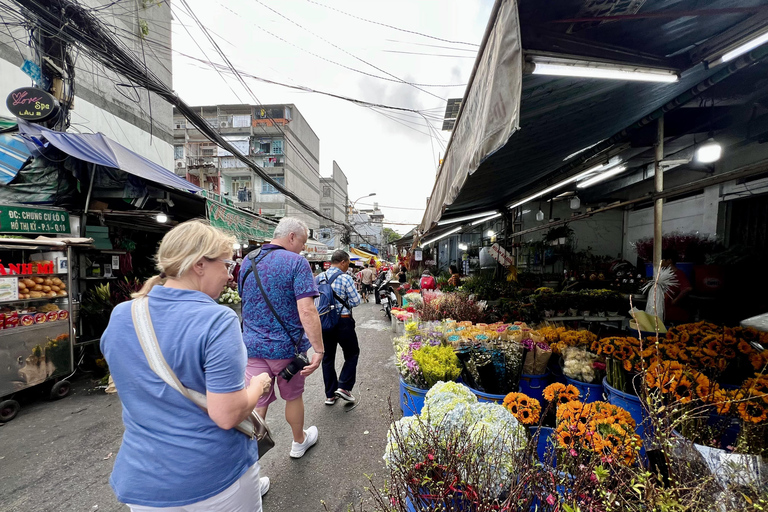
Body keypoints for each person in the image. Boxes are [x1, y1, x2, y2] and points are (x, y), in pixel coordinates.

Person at [101, 220, 272, 511]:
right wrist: (258, 385)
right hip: (212, 479)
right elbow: (227, 414)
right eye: (226, 264)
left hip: (144, 480)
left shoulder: (122, 314)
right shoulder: (218, 321)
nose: (229, 275)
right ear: (200, 265)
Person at [238, 217, 324, 459]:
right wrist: (318, 348)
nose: (303, 248)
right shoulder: (297, 263)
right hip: (288, 350)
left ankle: (250, 461)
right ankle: (299, 442)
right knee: (293, 396)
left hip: (253, 347)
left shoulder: (248, 261)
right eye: (303, 242)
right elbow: (306, 310)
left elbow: (245, 299)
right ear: (292, 237)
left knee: (257, 400)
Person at [318, 250, 362, 405]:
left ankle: (330, 395)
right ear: (343, 262)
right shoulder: (345, 278)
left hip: (324, 323)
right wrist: (344, 304)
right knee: (352, 353)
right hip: (343, 322)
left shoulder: (319, 278)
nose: (348, 266)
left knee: (328, 358)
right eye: (348, 263)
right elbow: (356, 301)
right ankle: (344, 386)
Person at [661, 249, 693, 323]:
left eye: (662, 259)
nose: (660, 262)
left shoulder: (679, 274)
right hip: (665, 314)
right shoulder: (663, 274)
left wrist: (675, 301)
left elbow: (688, 288)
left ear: (669, 260)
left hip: (675, 316)